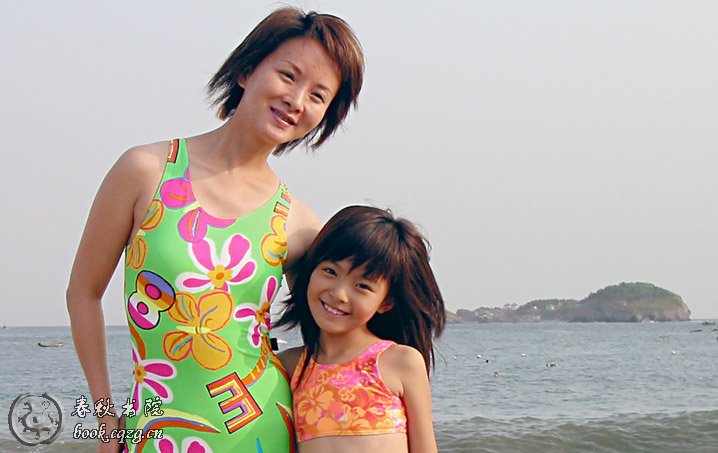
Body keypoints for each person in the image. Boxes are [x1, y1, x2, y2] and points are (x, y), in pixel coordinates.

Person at [66, 7, 364, 452]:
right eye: (288, 75)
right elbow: (83, 294)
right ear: (246, 70)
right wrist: (106, 419)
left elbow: (337, 344)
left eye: (318, 96)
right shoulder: (145, 171)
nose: (297, 100)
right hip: (155, 430)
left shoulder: (298, 223)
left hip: (263, 431)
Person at [276, 206, 446, 453]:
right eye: (330, 271)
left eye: (363, 286)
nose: (339, 294)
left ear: (386, 302)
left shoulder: (400, 362)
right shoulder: (290, 368)